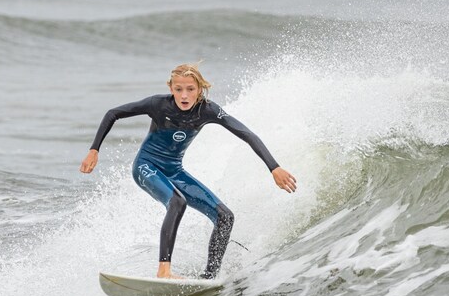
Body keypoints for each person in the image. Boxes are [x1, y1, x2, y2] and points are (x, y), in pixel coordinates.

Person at [80, 64, 296, 280]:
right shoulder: (158, 105)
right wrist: (94, 150)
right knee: (177, 202)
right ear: (171, 88)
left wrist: (274, 167)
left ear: (200, 89)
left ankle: (209, 277)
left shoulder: (208, 110)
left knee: (225, 217)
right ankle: (164, 271)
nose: (184, 95)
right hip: (146, 167)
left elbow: (246, 133)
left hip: (174, 171)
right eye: (179, 89)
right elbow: (113, 113)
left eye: (190, 89)